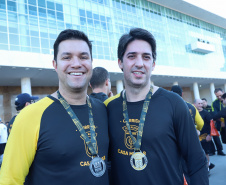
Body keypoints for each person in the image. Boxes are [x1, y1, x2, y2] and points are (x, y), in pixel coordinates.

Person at [0, 29, 109, 185]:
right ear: (55, 65)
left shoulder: (103, 110)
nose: (76, 64)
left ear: (91, 63)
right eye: (67, 57)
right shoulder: (29, 116)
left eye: (83, 57)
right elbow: (10, 180)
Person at [104, 28, 208, 185]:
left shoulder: (174, 103)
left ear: (153, 64)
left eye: (146, 57)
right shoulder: (108, 107)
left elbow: (197, 161)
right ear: (120, 63)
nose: (139, 63)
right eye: (131, 56)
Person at [193, 99, 215, 171]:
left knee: (205, 152)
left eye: (201, 103)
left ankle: (207, 168)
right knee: (199, 152)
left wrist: (210, 135)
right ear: (194, 104)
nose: (200, 105)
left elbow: (212, 124)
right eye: (198, 103)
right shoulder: (192, 113)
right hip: (195, 136)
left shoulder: (206, 113)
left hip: (205, 135)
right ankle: (207, 165)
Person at [211, 88, 225, 156]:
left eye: (220, 95)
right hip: (221, 125)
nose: (219, 97)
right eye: (217, 96)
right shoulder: (214, 103)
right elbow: (215, 115)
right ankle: (220, 150)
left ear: (223, 92)